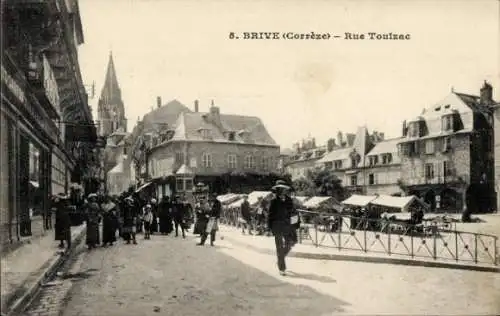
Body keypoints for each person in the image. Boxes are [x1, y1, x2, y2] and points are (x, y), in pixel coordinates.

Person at [268, 180, 295, 275]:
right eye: (281, 189)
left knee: (291, 242)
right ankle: (282, 268)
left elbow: (293, 212)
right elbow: (270, 215)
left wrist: (295, 224)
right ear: (278, 190)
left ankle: (280, 259)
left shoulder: (289, 200)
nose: (283, 190)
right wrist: (269, 228)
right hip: (277, 226)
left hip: (287, 226)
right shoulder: (274, 201)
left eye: (284, 189)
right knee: (279, 247)